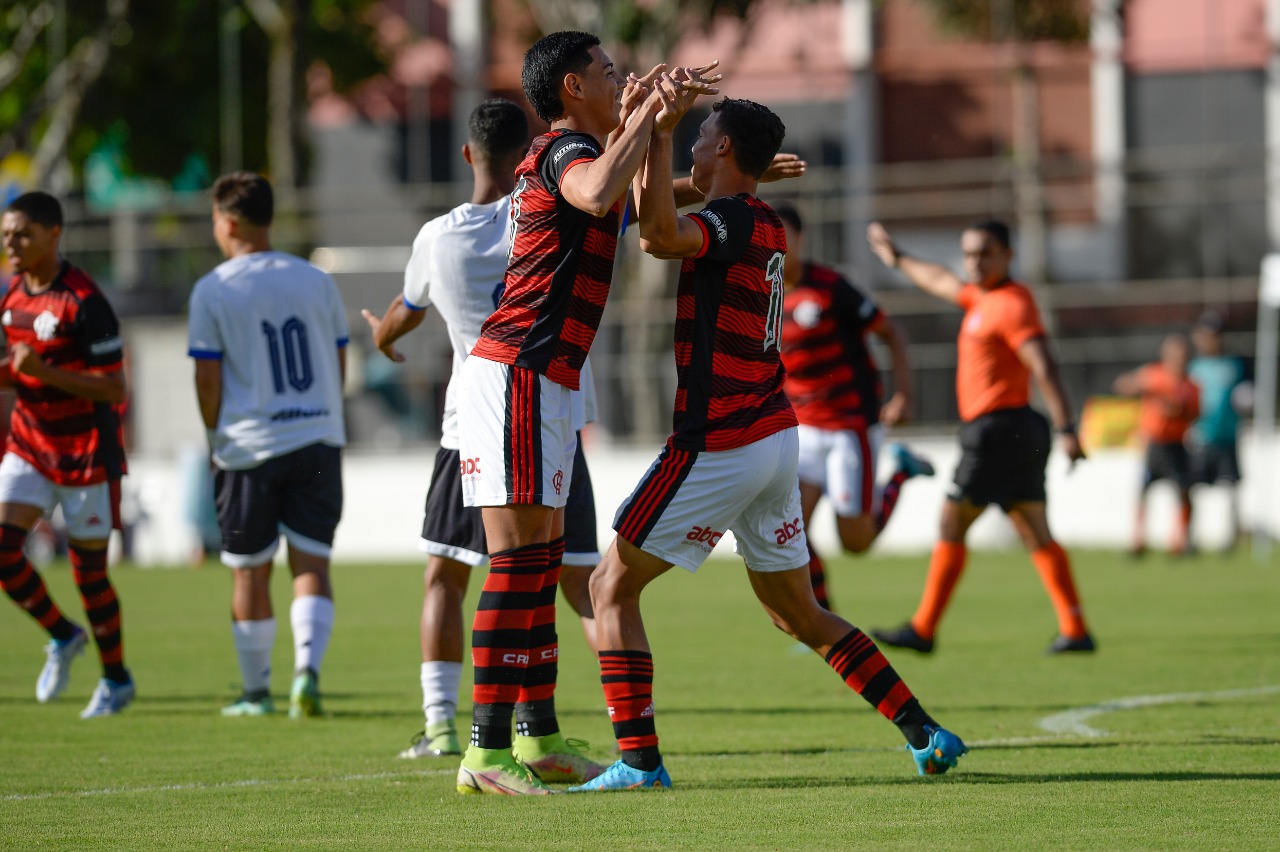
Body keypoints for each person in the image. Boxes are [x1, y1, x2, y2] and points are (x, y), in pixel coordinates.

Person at [570, 90, 967, 793]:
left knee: (609, 587)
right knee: (798, 614)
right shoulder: (764, 221)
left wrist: (657, 133)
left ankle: (638, 762)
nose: (694, 140)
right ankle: (925, 732)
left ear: (723, 149)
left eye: (703, 134)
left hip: (719, 439)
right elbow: (663, 214)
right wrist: (659, 139)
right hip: (774, 438)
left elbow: (659, 236)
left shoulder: (731, 218)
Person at [452, 32, 722, 796]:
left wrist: (666, 131)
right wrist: (643, 119)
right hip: (518, 373)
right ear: (573, 88)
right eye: (608, 72)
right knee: (518, 563)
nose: (621, 77)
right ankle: (484, 752)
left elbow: (644, 203)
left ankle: (536, 741)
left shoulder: (591, 152)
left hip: (548, 380)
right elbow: (600, 192)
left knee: (540, 564)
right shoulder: (561, 153)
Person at [359, 98, 604, 761]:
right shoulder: (546, 211)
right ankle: (563, 725)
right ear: (530, 151)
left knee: (449, 575)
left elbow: (403, 314)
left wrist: (378, 338)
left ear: (469, 154)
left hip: (474, 419)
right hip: (555, 412)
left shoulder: (439, 237)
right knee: (565, 577)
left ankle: (446, 726)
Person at [866, 219, 1095, 655]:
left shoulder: (1011, 304)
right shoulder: (981, 297)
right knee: (1034, 530)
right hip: (1014, 429)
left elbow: (1043, 364)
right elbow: (940, 279)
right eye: (969, 253)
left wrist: (1069, 427)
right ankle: (1075, 628)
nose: (973, 261)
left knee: (952, 522)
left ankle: (924, 628)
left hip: (998, 431)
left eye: (984, 253)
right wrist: (898, 258)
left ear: (1007, 256)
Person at [188, 172, 348, 718]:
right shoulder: (315, 280)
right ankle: (307, 673)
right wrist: (326, 413)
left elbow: (207, 379)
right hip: (317, 440)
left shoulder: (213, 288)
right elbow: (338, 359)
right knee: (311, 564)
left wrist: (214, 433)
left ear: (227, 222)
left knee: (249, 570)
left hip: (248, 447)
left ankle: (257, 693)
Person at [0, 191, 134, 718]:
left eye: (23, 233)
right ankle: (61, 634)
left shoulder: (84, 302)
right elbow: (19, 368)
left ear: (54, 235)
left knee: (89, 575)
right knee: (3, 550)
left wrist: (42, 371)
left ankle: (117, 680)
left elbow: (115, 388)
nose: (12, 242)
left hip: (85, 454)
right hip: (30, 445)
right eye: (7, 233)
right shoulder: (12, 295)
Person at [774, 202, 932, 611]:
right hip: (803, 431)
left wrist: (903, 397)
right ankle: (821, 619)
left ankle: (900, 473)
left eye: (786, 238)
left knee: (856, 543)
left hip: (850, 426)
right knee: (791, 532)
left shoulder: (829, 287)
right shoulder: (762, 293)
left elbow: (891, 332)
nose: (778, 246)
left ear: (801, 240)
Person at [1113, 334, 1201, 556]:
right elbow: (1124, 385)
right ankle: (1138, 541)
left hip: (1176, 444)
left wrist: (1179, 410)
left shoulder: (1190, 384)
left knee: (1183, 492)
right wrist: (1136, 387)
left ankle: (1180, 542)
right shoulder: (1153, 375)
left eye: (1181, 354)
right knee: (1143, 491)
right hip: (1154, 444)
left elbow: (1195, 413)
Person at [1188, 311, 1250, 551]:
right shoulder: (1193, 366)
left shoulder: (1236, 363)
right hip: (1199, 437)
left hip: (1227, 437)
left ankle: (1230, 538)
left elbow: (1248, 389)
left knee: (1231, 488)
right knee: (1193, 488)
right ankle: (1191, 537)